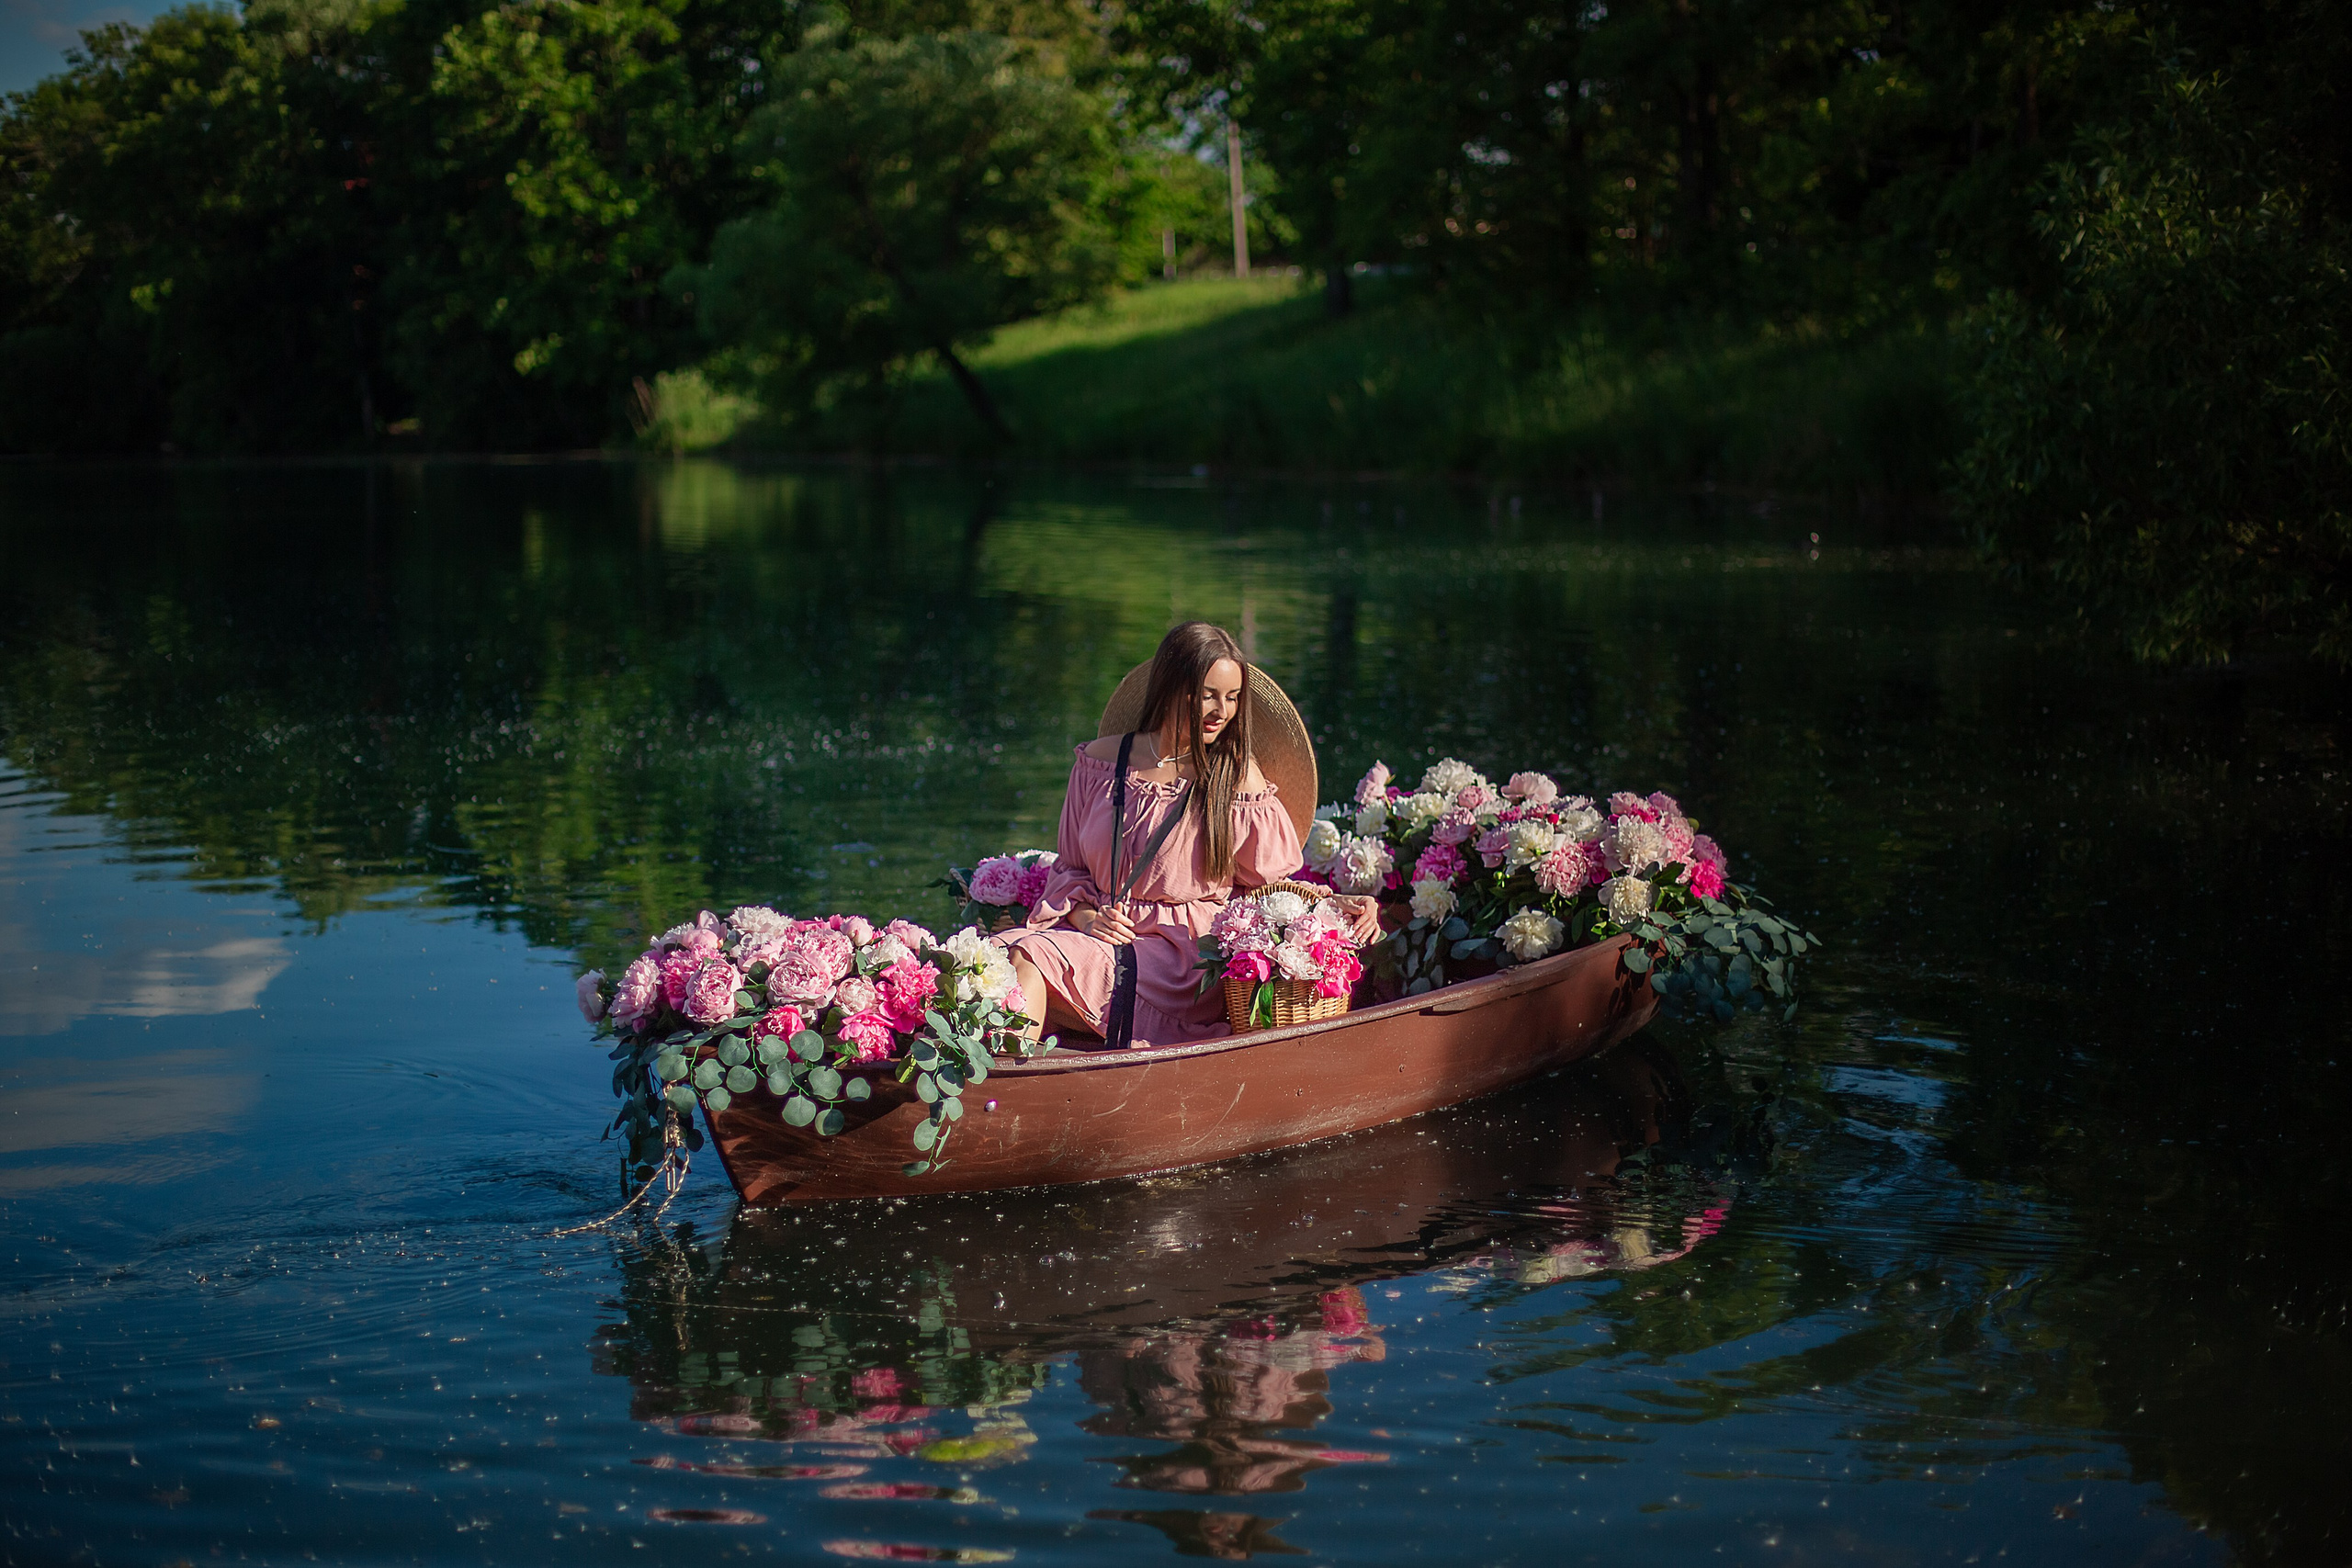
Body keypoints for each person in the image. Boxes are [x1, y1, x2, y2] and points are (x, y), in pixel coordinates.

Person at [1001, 622, 1381, 1048]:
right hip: (1100, 933)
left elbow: (1273, 888)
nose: (1222, 711)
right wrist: (1088, 918)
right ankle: (1003, 1075)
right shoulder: (1101, 761)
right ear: (1171, 688)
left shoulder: (1236, 779)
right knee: (995, 959)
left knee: (1029, 956)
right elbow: (1070, 869)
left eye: (1233, 697)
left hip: (1181, 958)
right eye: (1208, 695)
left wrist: (1332, 903)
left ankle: (1006, 1083)